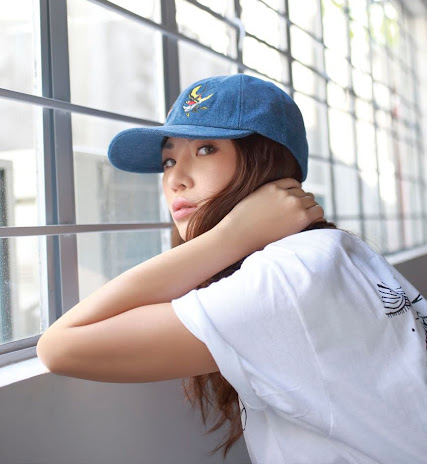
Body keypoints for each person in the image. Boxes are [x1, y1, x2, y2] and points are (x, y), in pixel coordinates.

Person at [37, 74, 427, 464]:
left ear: (265, 159)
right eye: (169, 160)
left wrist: (231, 236)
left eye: (206, 149)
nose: (175, 179)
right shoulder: (330, 251)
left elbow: (59, 346)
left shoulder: (285, 277)